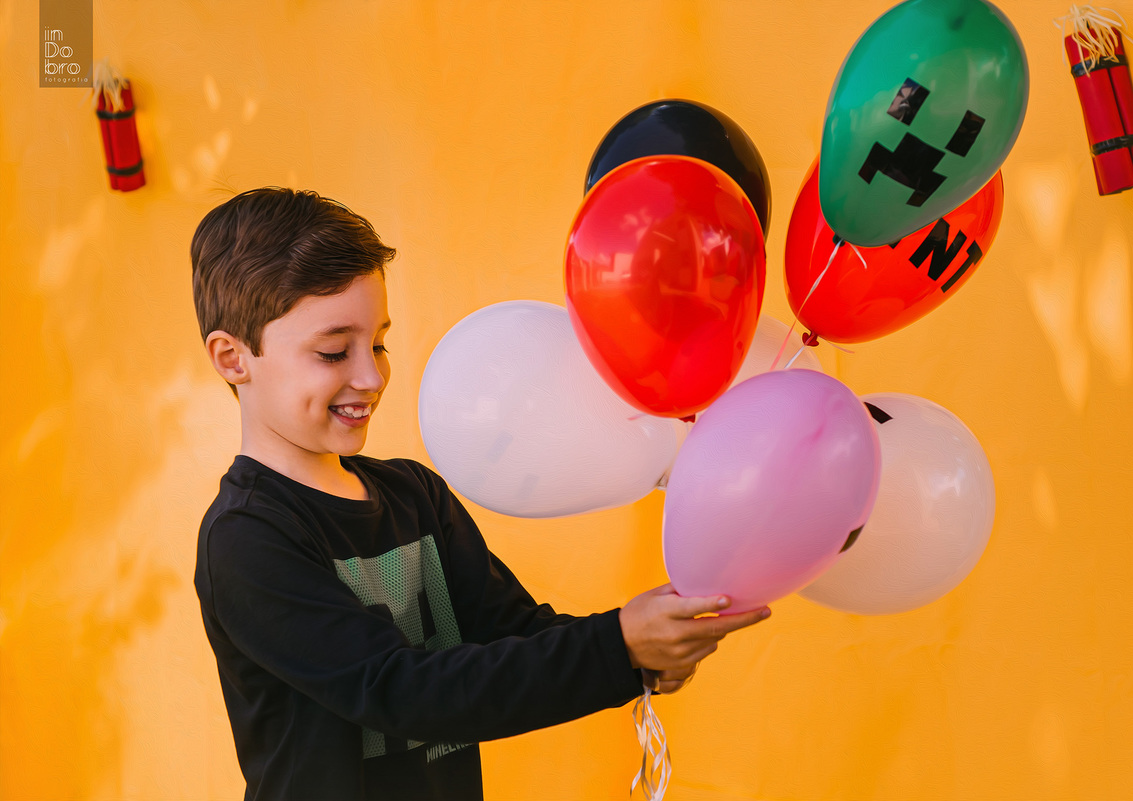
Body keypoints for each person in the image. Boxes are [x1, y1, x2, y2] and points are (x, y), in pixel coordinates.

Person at [191, 187, 770, 801]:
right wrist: (617, 646)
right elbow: (399, 691)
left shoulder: (415, 495)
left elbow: (512, 635)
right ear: (233, 359)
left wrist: (641, 655)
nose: (371, 375)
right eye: (333, 351)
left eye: (379, 343)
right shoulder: (246, 539)